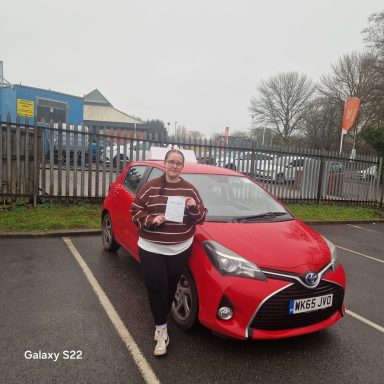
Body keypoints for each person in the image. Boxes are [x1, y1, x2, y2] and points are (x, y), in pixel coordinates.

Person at [130, 149, 206, 356]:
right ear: (164, 164)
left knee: (170, 287)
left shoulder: (190, 190)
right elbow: (135, 211)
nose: (174, 166)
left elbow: (200, 218)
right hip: (151, 247)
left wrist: (192, 207)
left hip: (180, 248)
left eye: (178, 163)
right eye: (171, 162)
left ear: (182, 166)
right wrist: (151, 220)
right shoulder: (150, 188)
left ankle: (160, 316)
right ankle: (161, 330)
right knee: (156, 287)